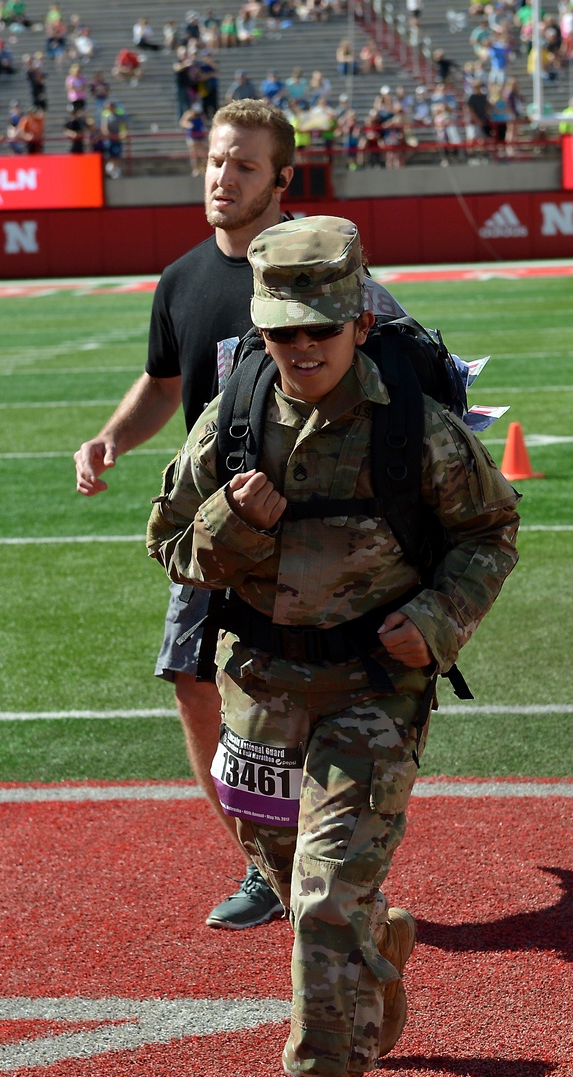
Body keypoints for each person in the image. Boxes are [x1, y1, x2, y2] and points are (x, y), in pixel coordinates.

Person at [145, 216, 521, 1077]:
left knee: (317, 895)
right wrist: (232, 515)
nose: (302, 348)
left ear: (357, 319)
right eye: (282, 331)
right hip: (261, 689)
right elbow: (169, 540)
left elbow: (491, 530)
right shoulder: (234, 415)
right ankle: (377, 952)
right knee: (288, 870)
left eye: (322, 328)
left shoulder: (414, 426)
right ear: (262, 329)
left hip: (372, 688)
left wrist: (437, 619)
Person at [73, 102, 401, 932]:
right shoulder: (181, 280)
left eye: (246, 166)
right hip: (222, 528)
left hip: (315, 529)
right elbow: (160, 380)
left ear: (283, 180)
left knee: (315, 694)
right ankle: (262, 869)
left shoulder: (311, 272)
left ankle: (328, 867)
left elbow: (394, 359)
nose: (224, 178)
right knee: (192, 687)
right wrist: (112, 438)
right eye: (218, 161)